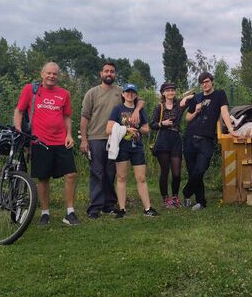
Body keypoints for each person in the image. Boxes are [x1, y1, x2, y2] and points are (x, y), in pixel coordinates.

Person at [13, 62, 80, 226]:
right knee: (43, 178)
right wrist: (18, 130)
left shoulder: (64, 93)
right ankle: (45, 213)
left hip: (61, 140)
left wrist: (69, 135)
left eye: (55, 74)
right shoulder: (31, 90)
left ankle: (70, 213)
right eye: (48, 73)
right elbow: (19, 111)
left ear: (58, 76)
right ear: (42, 74)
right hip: (39, 141)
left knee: (70, 174)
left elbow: (66, 117)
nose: (51, 76)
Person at [80, 62, 143, 219]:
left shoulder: (121, 92)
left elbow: (140, 100)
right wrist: (84, 139)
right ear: (100, 73)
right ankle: (95, 207)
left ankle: (109, 205)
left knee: (110, 173)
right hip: (95, 138)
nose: (109, 74)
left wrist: (136, 111)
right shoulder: (92, 93)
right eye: (106, 71)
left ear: (115, 74)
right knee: (97, 172)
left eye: (112, 71)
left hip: (116, 138)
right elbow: (84, 117)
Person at [183, 72, 238, 210]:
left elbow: (224, 112)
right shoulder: (197, 98)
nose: (204, 85)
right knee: (193, 172)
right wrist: (195, 111)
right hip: (189, 139)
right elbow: (187, 118)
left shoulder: (219, 95)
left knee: (200, 170)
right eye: (202, 83)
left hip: (206, 140)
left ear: (212, 81)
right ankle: (201, 202)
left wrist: (230, 129)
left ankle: (186, 192)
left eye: (207, 81)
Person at [106, 83, 158, 218]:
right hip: (122, 147)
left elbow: (147, 129)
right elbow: (108, 129)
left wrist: (137, 128)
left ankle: (147, 208)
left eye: (132, 92)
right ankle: (122, 209)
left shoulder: (140, 110)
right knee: (121, 177)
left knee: (141, 178)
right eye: (127, 92)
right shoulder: (117, 109)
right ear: (123, 94)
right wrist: (126, 129)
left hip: (137, 147)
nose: (130, 94)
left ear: (135, 95)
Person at [150, 82, 193, 208]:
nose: (170, 92)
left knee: (176, 172)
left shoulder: (178, 105)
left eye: (172, 90)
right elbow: (152, 124)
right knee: (165, 171)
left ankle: (175, 197)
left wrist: (187, 97)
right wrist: (162, 123)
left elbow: (192, 98)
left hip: (175, 139)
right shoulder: (160, 107)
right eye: (167, 90)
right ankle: (165, 198)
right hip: (163, 139)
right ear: (163, 93)